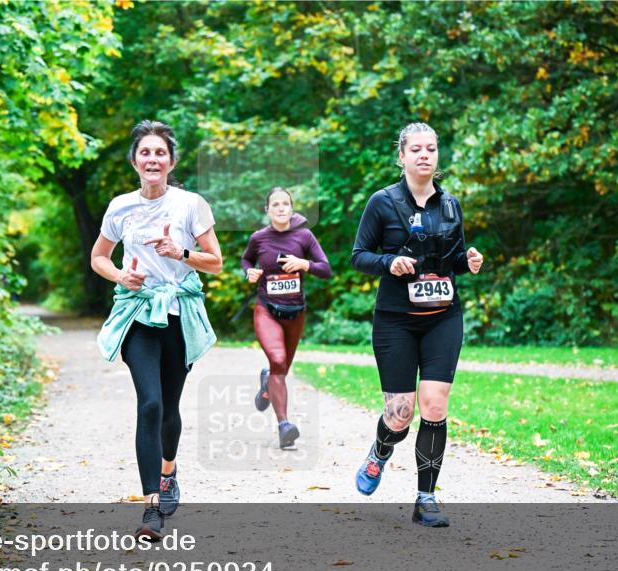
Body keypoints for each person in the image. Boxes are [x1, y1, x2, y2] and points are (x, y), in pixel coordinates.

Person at [93, 120, 222, 540]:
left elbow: (215, 261)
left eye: (160, 153)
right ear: (135, 161)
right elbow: (99, 257)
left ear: (171, 161)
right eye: (145, 152)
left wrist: (180, 252)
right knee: (149, 403)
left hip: (179, 315)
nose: (152, 159)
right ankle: (152, 508)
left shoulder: (190, 205)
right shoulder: (120, 207)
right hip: (138, 313)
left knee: (169, 408)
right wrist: (120, 276)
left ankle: (168, 471)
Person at [350, 122, 484, 527]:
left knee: (435, 404)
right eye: (416, 149)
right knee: (400, 414)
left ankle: (426, 498)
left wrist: (468, 260)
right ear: (402, 156)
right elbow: (359, 255)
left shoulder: (451, 205)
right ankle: (381, 451)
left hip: (443, 317)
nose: (425, 155)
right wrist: (389, 261)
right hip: (396, 321)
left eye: (431, 149)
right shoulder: (382, 202)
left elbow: (454, 257)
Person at [241, 187, 331, 448]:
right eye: (275, 204)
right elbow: (246, 260)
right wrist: (249, 272)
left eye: (285, 204)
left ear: (292, 208)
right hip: (267, 309)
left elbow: (326, 269)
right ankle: (284, 426)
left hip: (295, 312)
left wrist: (304, 264)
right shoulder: (259, 238)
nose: (281, 208)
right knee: (278, 360)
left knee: (280, 369)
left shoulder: (304, 236)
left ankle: (267, 382)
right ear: (267, 210)